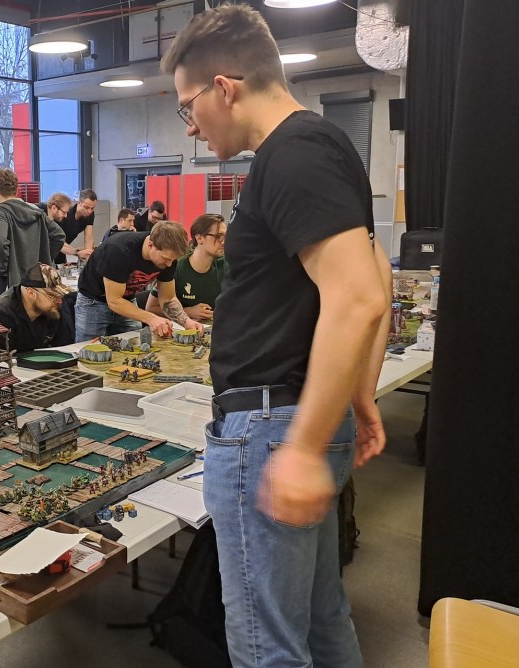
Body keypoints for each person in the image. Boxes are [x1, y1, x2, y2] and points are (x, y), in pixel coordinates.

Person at [163, 6, 391, 667]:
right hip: (292, 415)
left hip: (271, 426)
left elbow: (358, 296)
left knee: (267, 647)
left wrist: (303, 447)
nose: (189, 124)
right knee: (320, 621)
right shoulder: (321, 145)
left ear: (225, 87)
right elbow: (375, 273)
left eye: (187, 106)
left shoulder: (292, 155)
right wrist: (359, 391)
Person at [74, 220, 202, 341]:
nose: (169, 264)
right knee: (88, 348)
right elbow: (114, 301)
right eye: (165, 259)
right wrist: (151, 318)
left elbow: (167, 299)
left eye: (172, 260)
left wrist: (186, 321)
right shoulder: (119, 249)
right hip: (94, 301)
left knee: (135, 345)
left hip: (127, 300)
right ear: (150, 245)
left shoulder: (169, 258)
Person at [0, 168, 65, 299]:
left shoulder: (0, 213)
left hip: (15, 285)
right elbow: (59, 236)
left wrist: (3, 271)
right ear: (16, 190)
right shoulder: (36, 211)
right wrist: (45, 259)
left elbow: (0, 242)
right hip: (40, 280)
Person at [144, 213, 226, 322]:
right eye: (219, 236)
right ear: (199, 238)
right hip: (181, 328)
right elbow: (151, 308)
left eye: (226, 236)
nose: (224, 242)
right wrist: (188, 312)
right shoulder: (175, 266)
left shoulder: (224, 266)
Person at [0, 264, 74, 354]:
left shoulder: (52, 308)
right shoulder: (2, 314)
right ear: (31, 293)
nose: (59, 301)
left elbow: (64, 347)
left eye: (60, 295)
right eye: (52, 296)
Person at [54, 189, 97, 263]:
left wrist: (88, 257)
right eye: (86, 207)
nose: (89, 211)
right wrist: (78, 252)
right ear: (79, 202)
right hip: (52, 247)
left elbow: (89, 238)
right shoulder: (65, 213)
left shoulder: (90, 215)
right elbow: (57, 241)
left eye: (92, 208)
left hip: (63, 251)